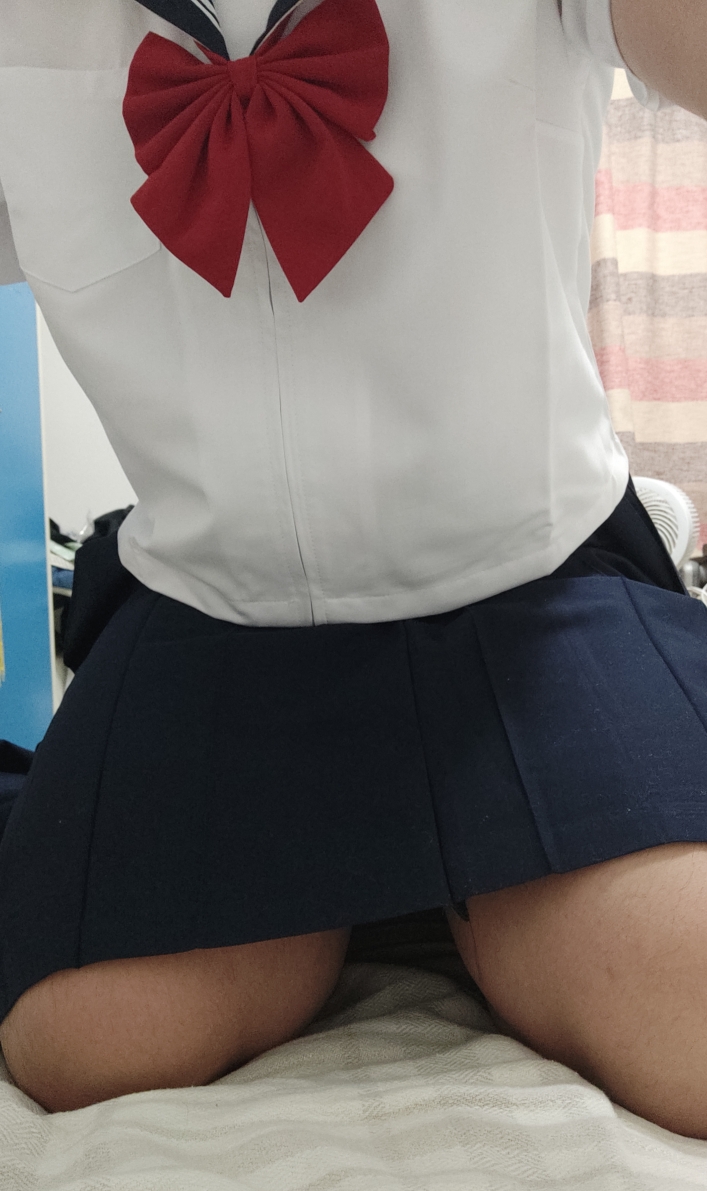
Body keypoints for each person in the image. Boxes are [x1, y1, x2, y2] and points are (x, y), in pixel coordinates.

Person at [1, 0, 707, 1137]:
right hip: (210, 603)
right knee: (89, 1046)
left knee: (688, 1016)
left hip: (530, 587)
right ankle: (430, 877)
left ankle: (478, 879)